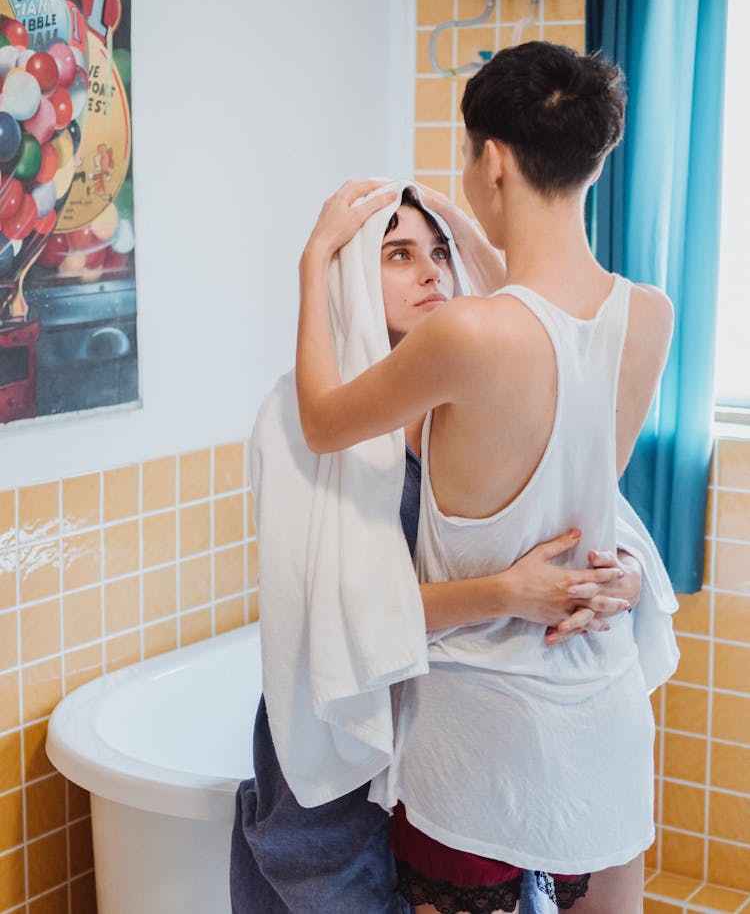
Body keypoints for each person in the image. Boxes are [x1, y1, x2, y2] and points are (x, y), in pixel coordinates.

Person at [294, 43, 677, 913]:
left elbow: (321, 417)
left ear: (490, 161)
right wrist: (475, 231)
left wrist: (315, 261)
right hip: (604, 722)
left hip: (480, 748)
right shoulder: (647, 315)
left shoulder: (464, 336)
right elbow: (553, 332)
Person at [231, 183, 649, 914]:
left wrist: (625, 576)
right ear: (353, 272)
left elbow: (599, 519)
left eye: (440, 253)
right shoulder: (297, 421)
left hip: (453, 730)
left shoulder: (474, 389)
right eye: (398, 253)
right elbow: (337, 614)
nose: (431, 272)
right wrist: (506, 592)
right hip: (349, 734)